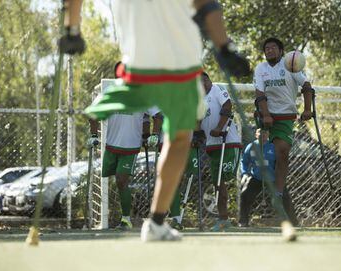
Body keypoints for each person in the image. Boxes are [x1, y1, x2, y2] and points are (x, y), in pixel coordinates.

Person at [61, 0, 250, 241]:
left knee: (180, 138)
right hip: (142, 63)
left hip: (184, 66)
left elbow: (205, 3)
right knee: (106, 113)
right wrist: (72, 29)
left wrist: (225, 46)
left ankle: (157, 222)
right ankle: (104, 110)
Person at [253, 37, 312, 223]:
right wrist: (266, 114)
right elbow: (260, 94)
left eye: (273, 48)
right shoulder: (261, 69)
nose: (269, 51)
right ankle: (259, 197)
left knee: (283, 152)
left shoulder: (290, 65)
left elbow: (307, 86)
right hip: (266, 115)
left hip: (286, 116)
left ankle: (277, 193)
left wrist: (308, 109)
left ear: (281, 51)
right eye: (266, 48)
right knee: (262, 156)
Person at [90, 108, 162, 230]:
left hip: (131, 147)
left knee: (121, 180)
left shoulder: (141, 92)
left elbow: (158, 116)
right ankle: (123, 216)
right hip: (111, 146)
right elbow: (93, 114)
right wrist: (93, 135)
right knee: (117, 182)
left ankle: (126, 219)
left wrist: (153, 134)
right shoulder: (111, 91)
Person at [200, 72, 242, 231]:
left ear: (208, 80)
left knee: (226, 176)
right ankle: (223, 219)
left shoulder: (217, 89)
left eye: (203, 80)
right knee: (217, 183)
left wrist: (219, 128)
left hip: (228, 143)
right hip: (212, 145)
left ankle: (236, 215)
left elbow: (227, 105)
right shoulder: (198, 99)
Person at [239, 128, 275, 227]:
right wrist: (245, 173)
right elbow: (244, 162)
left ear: (268, 134)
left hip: (272, 178)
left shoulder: (273, 146)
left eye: (265, 133)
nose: (262, 135)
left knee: (283, 196)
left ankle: (292, 221)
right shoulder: (251, 146)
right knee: (245, 195)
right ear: (256, 134)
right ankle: (243, 221)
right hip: (256, 177)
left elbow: (280, 163)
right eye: (260, 133)